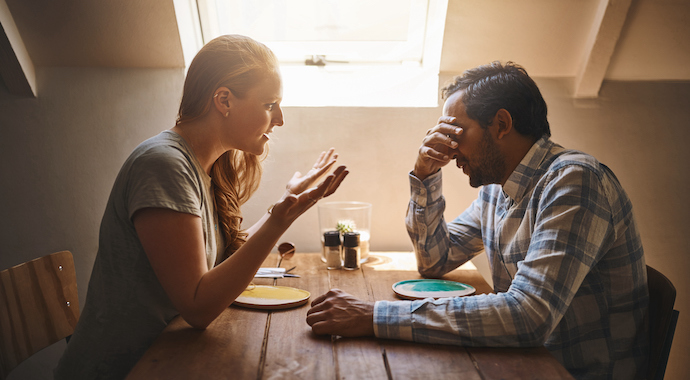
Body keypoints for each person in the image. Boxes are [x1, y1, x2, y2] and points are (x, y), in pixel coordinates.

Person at [306, 61, 649, 380]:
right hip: (520, 361)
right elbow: (435, 261)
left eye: (456, 131)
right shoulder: (499, 189)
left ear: (501, 124)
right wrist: (424, 176)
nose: (450, 148)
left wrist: (373, 316)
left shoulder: (575, 182)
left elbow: (528, 316)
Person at [55, 34, 348, 379]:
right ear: (224, 100)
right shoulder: (164, 165)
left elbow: (223, 263)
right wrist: (279, 220)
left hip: (168, 358)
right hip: (123, 370)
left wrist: (283, 208)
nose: (279, 119)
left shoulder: (201, 166)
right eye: (270, 104)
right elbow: (198, 307)